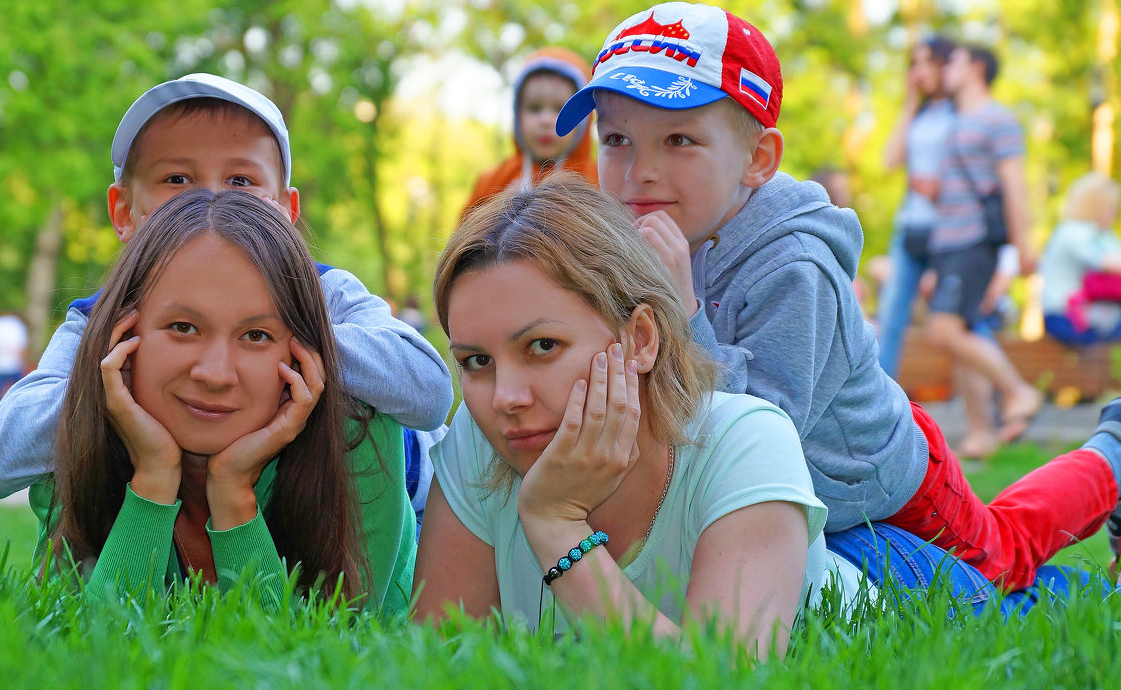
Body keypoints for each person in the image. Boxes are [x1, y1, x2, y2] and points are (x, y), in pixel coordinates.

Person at [552, 1, 1121, 591]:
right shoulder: (643, 237)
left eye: (678, 139)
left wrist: (685, 312)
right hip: (813, 490)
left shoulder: (795, 265)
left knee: (1002, 557)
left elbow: (762, 431)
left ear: (757, 159)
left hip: (875, 478)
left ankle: (1112, 457)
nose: (639, 169)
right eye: (617, 138)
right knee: (992, 553)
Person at [412, 177, 1105, 656]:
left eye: (542, 347)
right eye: (474, 361)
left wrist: (557, 526)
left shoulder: (745, 439)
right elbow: (437, 661)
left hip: (911, 598)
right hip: (805, 548)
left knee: (1050, 606)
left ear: (642, 339)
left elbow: (718, 686)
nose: (505, 395)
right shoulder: (483, 442)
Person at [0, 74, 453, 515]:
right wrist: (133, 370)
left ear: (286, 211)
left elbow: (428, 392)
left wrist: (284, 336)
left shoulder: (326, 293)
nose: (212, 201)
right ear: (123, 213)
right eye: (176, 180)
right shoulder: (102, 322)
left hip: (409, 516)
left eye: (241, 181)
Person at [34, 190, 416, 614]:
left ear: (300, 354)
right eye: (183, 327)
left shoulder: (357, 439)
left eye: (256, 336)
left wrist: (233, 493)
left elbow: (310, 660)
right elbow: (94, 647)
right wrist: (154, 478)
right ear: (123, 337)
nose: (215, 374)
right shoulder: (78, 437)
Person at [927, 44, 1042, 443]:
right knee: (963, 332)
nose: (946, 69)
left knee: (944, 329)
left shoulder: (999, 119)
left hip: (974, 242)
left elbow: (1013, 185)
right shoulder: (956, 121)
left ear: (976, 68)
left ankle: (1018, 391)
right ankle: (981, 433)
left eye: (954, 61)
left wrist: (1023, 244)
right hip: (947, 243)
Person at [877, 36, 956, 379]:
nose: (920, 71)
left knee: (955, 318)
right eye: (916, 64)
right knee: (891, 314)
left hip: (950, 229)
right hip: (910, 225)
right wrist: (910, 102)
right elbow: (890, 160)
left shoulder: (961, 112)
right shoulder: (920, 115)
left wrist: (943, 189)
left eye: (928, 62)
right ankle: (876, 404)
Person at [462, 47, 598, 216]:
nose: (546, 121)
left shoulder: (598, 182)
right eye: (534, 108)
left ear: (583, 118)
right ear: (518, 113)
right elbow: (462, 238)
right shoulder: (494, 181)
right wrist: (497, 214)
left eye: (560, 109)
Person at [1041, 172, 1121, 345]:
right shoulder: (1072, 231)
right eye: (1112, 206)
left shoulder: (1106, 235)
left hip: (1099, 314)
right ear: (1097, 205)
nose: (1115, 212)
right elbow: (1108, 263)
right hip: (1065, 315)